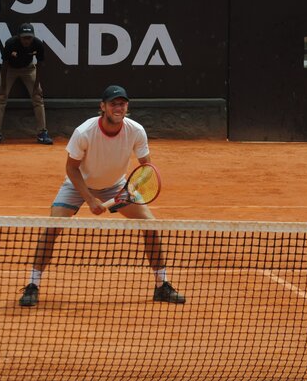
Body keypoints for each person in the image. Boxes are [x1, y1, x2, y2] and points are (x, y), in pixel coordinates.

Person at [18, 85, 185, 306]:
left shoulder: (135, 131)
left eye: (122, 103)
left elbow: (146, 167)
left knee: (151, 226)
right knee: (52, 228)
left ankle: (161, 285)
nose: (119, 107)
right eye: (114, 103)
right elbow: (71, 169)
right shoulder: (85, 132)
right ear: (103, 107)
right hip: (78, 186)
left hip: (116, 187)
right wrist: (89, 198)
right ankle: (33, 285)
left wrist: (130, 190)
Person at [0, 23, 53, 145]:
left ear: (33, 37)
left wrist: (36, 86)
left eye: (29, 37)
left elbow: (40, 65)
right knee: (1, 96)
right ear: (19, 37)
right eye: (24, 37)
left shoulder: (38, 44)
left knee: (38, 97)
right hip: (10, 69)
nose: (27, 40)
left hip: (29, 69)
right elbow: (5, 64)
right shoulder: (10, 43)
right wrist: (3, 85)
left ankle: (42, 133)